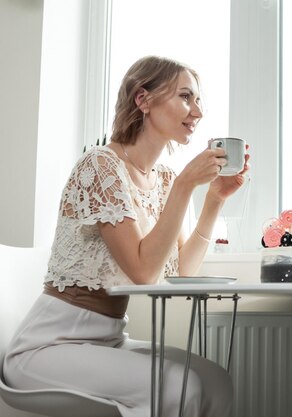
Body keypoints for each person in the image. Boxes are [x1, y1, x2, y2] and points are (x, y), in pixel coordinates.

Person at [3, 56, 249, 417]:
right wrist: (184, 186)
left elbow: (181, 271)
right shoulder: (101, 166)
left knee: (215, 380)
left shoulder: (164, 179)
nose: (197, 111)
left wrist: (213, 200)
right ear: (143, 99)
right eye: (185, 97)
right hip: (49, 345)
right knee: (180, 388)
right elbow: (144, 273)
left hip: (108, 338)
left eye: (198, 100)